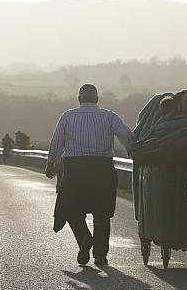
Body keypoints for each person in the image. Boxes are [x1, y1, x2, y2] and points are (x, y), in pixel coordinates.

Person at [45, 84, 135, 266]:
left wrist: (50, 163)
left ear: (79, 99)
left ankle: (84, 237)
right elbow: (127, 135)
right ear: (97, 100)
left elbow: (57, 142)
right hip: (102, 168)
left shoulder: (67, 116)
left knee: (71, 209)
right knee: (102, 214)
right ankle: (100, 256)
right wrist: (131, 151)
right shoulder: (109, 116)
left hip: (75, 168)